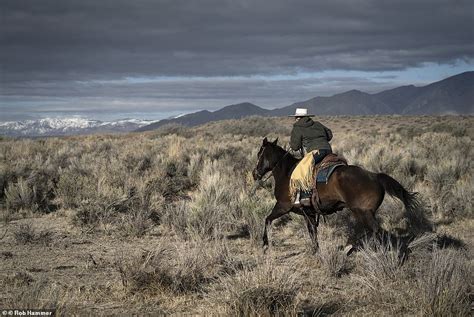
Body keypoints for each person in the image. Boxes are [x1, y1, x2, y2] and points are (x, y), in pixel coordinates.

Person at [288, 108, 333, 207]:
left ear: (298, 118)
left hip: (315, 152)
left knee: (302, 169)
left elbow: (295, 147)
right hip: (328, 150)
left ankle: (305, 195)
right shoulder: (317, 124)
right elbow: (329, 135)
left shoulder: (297, 127)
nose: (295, 119)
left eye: (296, 117)